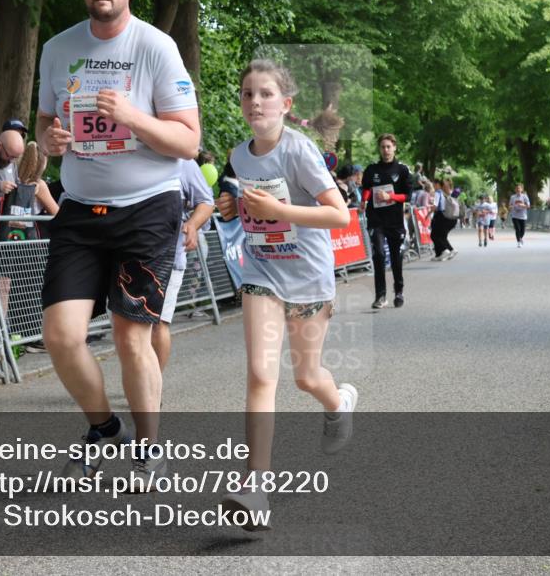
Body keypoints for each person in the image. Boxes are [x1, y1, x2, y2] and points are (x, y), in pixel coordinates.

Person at [35, 0, 200, 482]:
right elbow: (42, 124)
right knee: (60, 337)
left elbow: (188, 140)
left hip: (147, 206)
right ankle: (104, 425)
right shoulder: (58, 48)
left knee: (132, 334)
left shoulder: (156, 47)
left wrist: (132, 116)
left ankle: (149, 448)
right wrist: (51, 139)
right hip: (80, 208)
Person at [213, 59, 355, 530]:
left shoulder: (299, 151)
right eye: (248, 93)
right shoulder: (238, 155)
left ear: (285, 104)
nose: (256, 101)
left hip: (309, 277)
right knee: (259, 373)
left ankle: (338, 403)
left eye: (266, 94)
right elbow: (249, 213)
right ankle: (255, 488)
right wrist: (232, 207)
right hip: (262, 270)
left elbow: (338, 215)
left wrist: (280, 208)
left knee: (306, 377)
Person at [153, 159, 214, 375]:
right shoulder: (123, 151)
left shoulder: (182, 161)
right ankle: (139, 381)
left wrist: (192, 224)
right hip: (124, 254)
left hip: (170, 255)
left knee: (159, 322)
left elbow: (206, 202)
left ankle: (154, 384)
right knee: (130, 328)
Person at [361, 134, 412, 309]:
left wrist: (390, 196)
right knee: (379, 255)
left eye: (389, 146)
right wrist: (363, 200)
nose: (386, 150)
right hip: (376, 220)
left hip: (395, 221)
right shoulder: (371, 169)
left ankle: (399, 291)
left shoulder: (402, 170)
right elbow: (366, 188)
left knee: (396, 257)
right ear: (379, 149)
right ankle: (380, 296)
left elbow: (408, 196)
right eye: (383, 147)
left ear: (394, 147)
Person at [431, 178, 459, 260]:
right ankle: (447, 251)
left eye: (434, 185)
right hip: (450, 217)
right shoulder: (451, 193)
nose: (434, 186)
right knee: (441, 236)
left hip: (442, 216)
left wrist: (429, 212)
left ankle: (444, 251)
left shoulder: (439, 193)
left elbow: (436, 206)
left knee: (435, 235)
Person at [509, 183, 531, 247]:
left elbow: (528, 205)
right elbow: (510, 205)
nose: (518, 189)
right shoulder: (512, 197)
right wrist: (511, 207)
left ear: (522, 189)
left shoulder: (524, 196)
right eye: (517, 188)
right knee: (517, 229)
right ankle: (518, 242)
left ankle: (520, 238)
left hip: (523, 215)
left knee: (523, 230)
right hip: (515, 215)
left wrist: (523, 205)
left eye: (519, 188)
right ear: (515, 189)